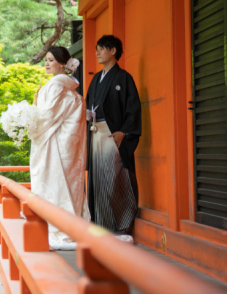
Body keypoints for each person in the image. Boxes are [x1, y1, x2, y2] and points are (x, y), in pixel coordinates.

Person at [26, 46, 90, 250]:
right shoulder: (68, 86)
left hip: (56, 145)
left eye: (51, 60)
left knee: (56, 182)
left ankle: (58, 227)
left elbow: (46, 117)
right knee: (69, 184)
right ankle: (70, 225)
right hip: (66, 144)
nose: (46, 63)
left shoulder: (56, 85)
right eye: (46, 59)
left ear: (63, 63)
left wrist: (27, 117)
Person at [85, 35, 141, 235]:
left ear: (113, 51)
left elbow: (133, 108)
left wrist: (123, 132)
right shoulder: (96, 79)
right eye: (97, 49)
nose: (97, 52)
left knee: (114, 178)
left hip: (112, 135)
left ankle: (120, 224)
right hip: (95, 133)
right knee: (97, 181)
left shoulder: (123, 77)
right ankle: (100, 224)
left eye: (101, 48)